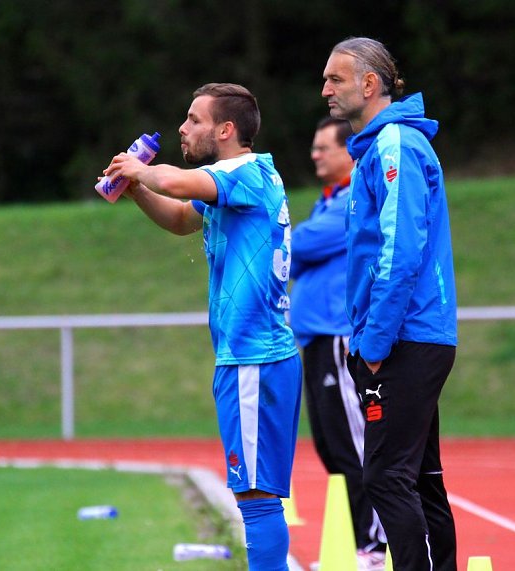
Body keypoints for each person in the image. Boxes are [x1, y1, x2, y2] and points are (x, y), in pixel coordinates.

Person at [103, 82, 302, 571]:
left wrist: (141, 170)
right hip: (249, 358)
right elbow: (178, 218)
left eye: (194, 119)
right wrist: (135, 190)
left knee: (256, 498)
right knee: (254, 493)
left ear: (226, 130)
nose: (182, 128)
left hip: (255, 358)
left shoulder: (243, 172)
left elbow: (175, 184)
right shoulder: (233, 182)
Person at [321, 37, 459, 570]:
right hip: (409, 336)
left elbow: (401, 252)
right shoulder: (377, 148)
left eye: (336, 79)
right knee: (421, 479)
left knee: (385, 477)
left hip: (404, 338)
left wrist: (374, 342)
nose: (325, 89)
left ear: (370, 84)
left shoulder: (394, 144)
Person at [289, 116, 387, 570]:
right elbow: (295, 259)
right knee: (331, 446)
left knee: (351, 443)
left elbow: (302, 244)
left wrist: (287, 241)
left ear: (348, 152)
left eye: (322, 147)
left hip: (337, 336)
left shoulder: (352, 201)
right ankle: (362, 541)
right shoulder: (325, 202)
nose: (314, 154)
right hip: (314, 339)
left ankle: (374, 544)